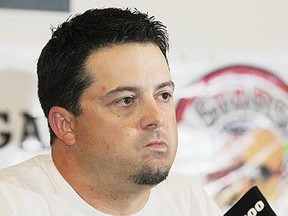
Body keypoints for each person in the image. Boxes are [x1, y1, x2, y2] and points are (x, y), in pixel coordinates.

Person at [0, 8, 223, 215]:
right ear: (66, 125)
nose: (156, 118)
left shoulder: (190, 202)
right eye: (126, 100)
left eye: (163, 95)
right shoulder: (10, 203)